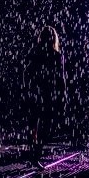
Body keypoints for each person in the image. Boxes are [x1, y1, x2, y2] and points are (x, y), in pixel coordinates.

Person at [23, 26, 67, 169]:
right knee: (46, 126)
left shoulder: (35, 52)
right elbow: (61, 78)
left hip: (35, 92)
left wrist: (28, 88)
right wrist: (63, 94)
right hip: (47, 93)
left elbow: (26, 72)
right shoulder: (56, 55)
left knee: (33, 125)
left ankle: (32, 154)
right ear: (54, 38)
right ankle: (36, 154)